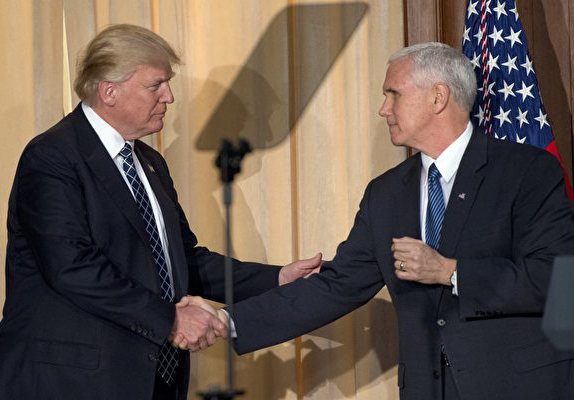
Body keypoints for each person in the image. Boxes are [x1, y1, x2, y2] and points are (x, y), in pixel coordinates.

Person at [207, 42, 574, 399]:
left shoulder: (526, 171)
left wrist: (451, 271)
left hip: (515, 386)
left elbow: (558, 279)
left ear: (437, 97)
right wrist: (225, 321)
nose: (383, 109)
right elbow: (335, 287)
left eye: (393, 94)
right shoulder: (385, 194)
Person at [0, 24, 321, 400]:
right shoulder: (53, 157)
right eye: (156, 85)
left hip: (146, 378)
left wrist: (277, 278)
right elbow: (71, 267)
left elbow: (183, 262)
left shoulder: (149, 161)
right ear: (109, 91)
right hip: (65, 382)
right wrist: (170, 318)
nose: (169, 97)